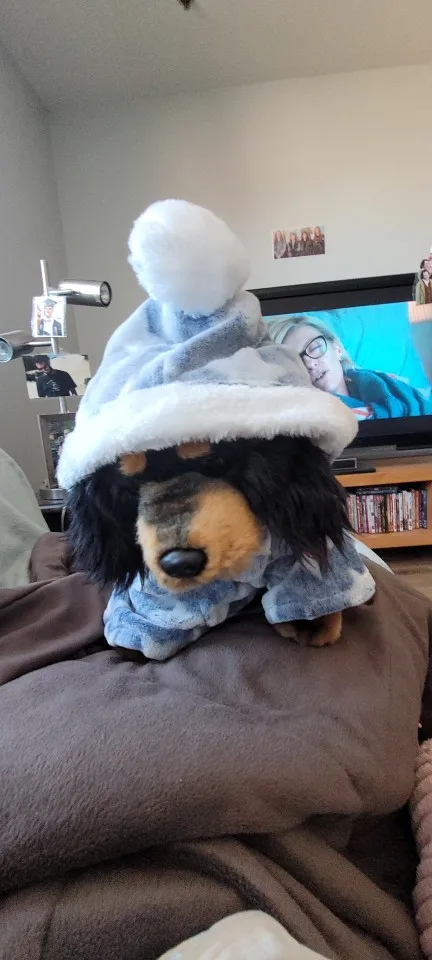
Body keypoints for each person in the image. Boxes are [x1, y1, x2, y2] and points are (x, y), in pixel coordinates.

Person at [267, 314, 432, 419]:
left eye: (315, 348)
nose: (310, 364)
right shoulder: (296, 420)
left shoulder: (388, 383)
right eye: (296, 360)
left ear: (337, 348)